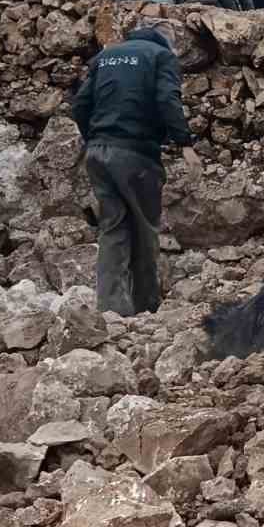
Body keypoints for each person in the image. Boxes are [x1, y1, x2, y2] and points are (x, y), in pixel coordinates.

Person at [70, 24, 196, 318]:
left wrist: (95, 138)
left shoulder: (106, 56)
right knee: (144, 228)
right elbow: (167, 99)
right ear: (167, 41)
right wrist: (185, 144)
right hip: (135, 154)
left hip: (98, 153)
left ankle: (111, 310)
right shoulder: (161, 56)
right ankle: (145, 308)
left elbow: (80, 105)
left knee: (112, 228)